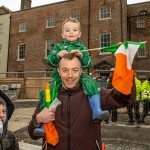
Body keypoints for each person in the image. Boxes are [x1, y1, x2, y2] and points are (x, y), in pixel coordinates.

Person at [28, 53, 136, 150]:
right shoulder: (49, 96)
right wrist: (38, 119)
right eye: (65, 70)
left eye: (75, 70)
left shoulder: (95, 94)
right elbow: (33, 134)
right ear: (59, 71)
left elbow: (125, 98)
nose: (70, 75)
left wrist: (126, 66)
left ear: (80, 71)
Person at [33, 18, 110, 136]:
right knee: (46, 91)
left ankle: (96, 111)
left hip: (80, 76)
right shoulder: (58, 47)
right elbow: (49, 61)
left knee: (91, 81)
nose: (71, 32)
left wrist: (82, 56)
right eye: (68, 30)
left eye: (74, 30)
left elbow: (89, 63)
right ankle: (44, 126)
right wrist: (57, 56)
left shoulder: (82, 47)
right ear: (63, 34)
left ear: (79, 33)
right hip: (58, 77)